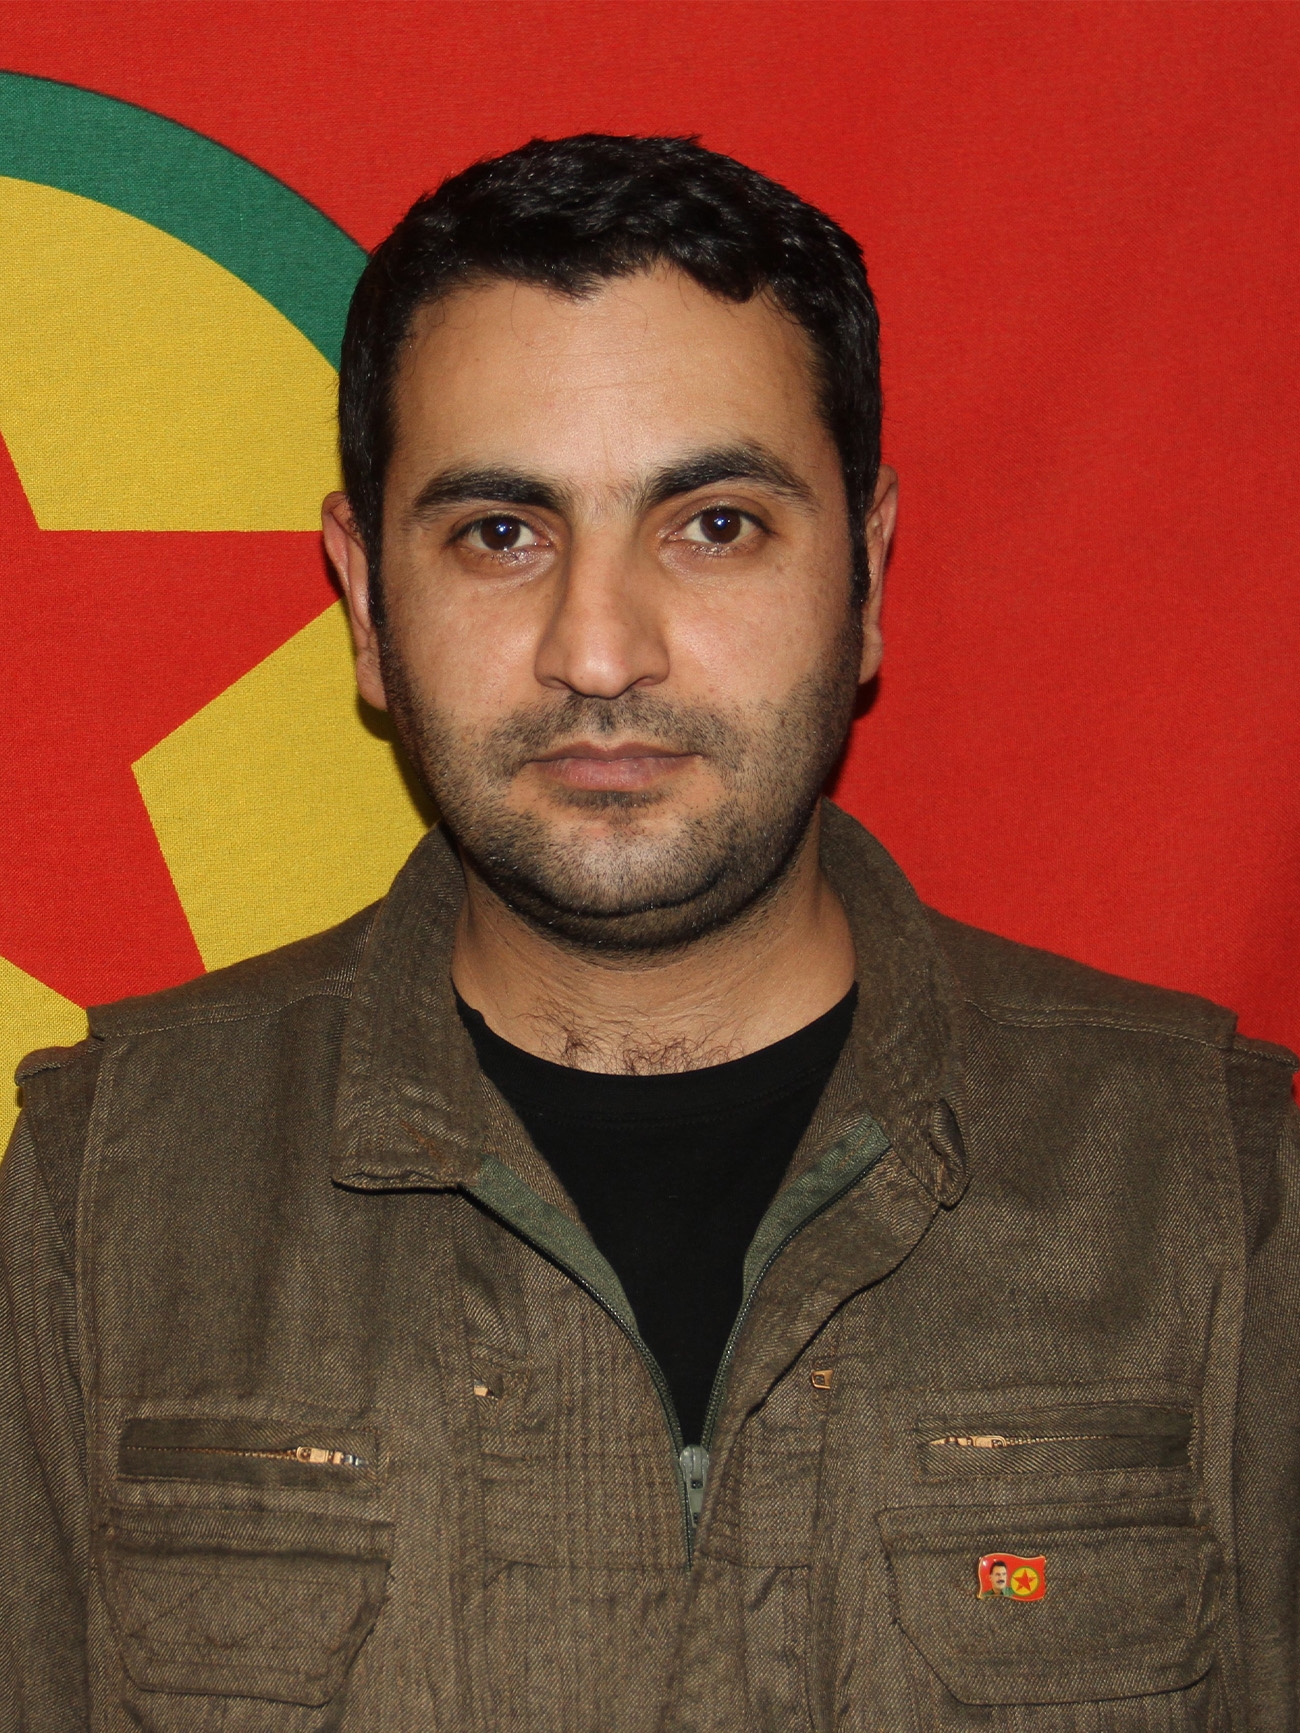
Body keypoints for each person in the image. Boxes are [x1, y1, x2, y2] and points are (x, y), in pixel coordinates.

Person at [2, 133, 1297, 1732]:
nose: (600, 651)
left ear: (868, 574)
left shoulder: (1209, 1188)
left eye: (715, 524)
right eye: (502, 533)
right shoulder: (108, 1195)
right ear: (365, 601)